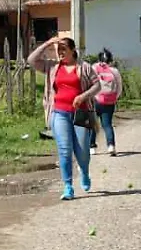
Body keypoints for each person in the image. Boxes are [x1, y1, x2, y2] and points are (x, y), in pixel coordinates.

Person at [27, 36, 100, 200]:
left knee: (82, 152)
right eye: (58, 50)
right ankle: (68, 186)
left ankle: (85, 172)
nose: (60, 53)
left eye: (63, 50)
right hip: (59, 113)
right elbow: (31, 60)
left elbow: (97, 86)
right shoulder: (52, 67)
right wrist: (47, 43)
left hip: (81, 113)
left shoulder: (84, 67)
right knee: (65, 150)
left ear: (72, 50)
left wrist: (83, 96)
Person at [92, 49, 123, 156]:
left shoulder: (94, 68)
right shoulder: (114, 71)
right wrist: (114, 97)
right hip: (110, 102)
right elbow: (119, 87)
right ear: (110, 59)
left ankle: (92, 147)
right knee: (107, 125)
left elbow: (89, 83)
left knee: (93, 124)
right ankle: (111, 146)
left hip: (95, 100)